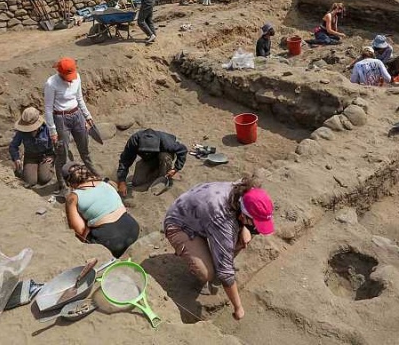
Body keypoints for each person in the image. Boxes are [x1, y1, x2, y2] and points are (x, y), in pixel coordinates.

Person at [163, 177, 275, 321]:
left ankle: (214, 254)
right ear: (243, 214)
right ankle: (201, 263)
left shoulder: (245, 192)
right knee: (207, 273)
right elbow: (226, 274)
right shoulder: (222, 219)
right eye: (254, 221)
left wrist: (245, 228)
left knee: (244, 237)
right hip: (180, 224)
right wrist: (238, 307)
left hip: (202, 214)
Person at [44, 57, 98, 191]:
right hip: (61, 118)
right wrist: (52, 130)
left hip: (77, 115)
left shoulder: (77, 78)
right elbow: (48, 108)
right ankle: (63, 184)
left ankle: (94, 174)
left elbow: (79, 98)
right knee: (62, 153)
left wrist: (87, 116)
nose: (71, 79)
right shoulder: (51, 84)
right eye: (67, 76)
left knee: (84, 149)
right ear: (60, 72)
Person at [64, 162, 139, 258]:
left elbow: (80, 230)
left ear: (69, 183)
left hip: (110, 241)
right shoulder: (106, 183)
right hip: (132, 229)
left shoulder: (73, 197)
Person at [116, 128, 188, 197]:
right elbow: (125, 160)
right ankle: (155, 170)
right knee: (136, 182)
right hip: (147, 159)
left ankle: (163, 178)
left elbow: (183, 150)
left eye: (150, 151)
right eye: (145, 151)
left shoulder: (167, 142)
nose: (147, 152)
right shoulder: (134, 141)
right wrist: (122, 181)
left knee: (165, 157)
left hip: (164, 156)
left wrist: (176, 169)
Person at [9, 107, 55, 187]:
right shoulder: (21, 131)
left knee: (44, 179)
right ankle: (32, 169)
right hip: (31, 157)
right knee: (30, 181)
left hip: (46, 156)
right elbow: (13, 146)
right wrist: (16, 159)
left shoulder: (47, 128)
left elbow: (58, 143)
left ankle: (47, 167)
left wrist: (53, 156)